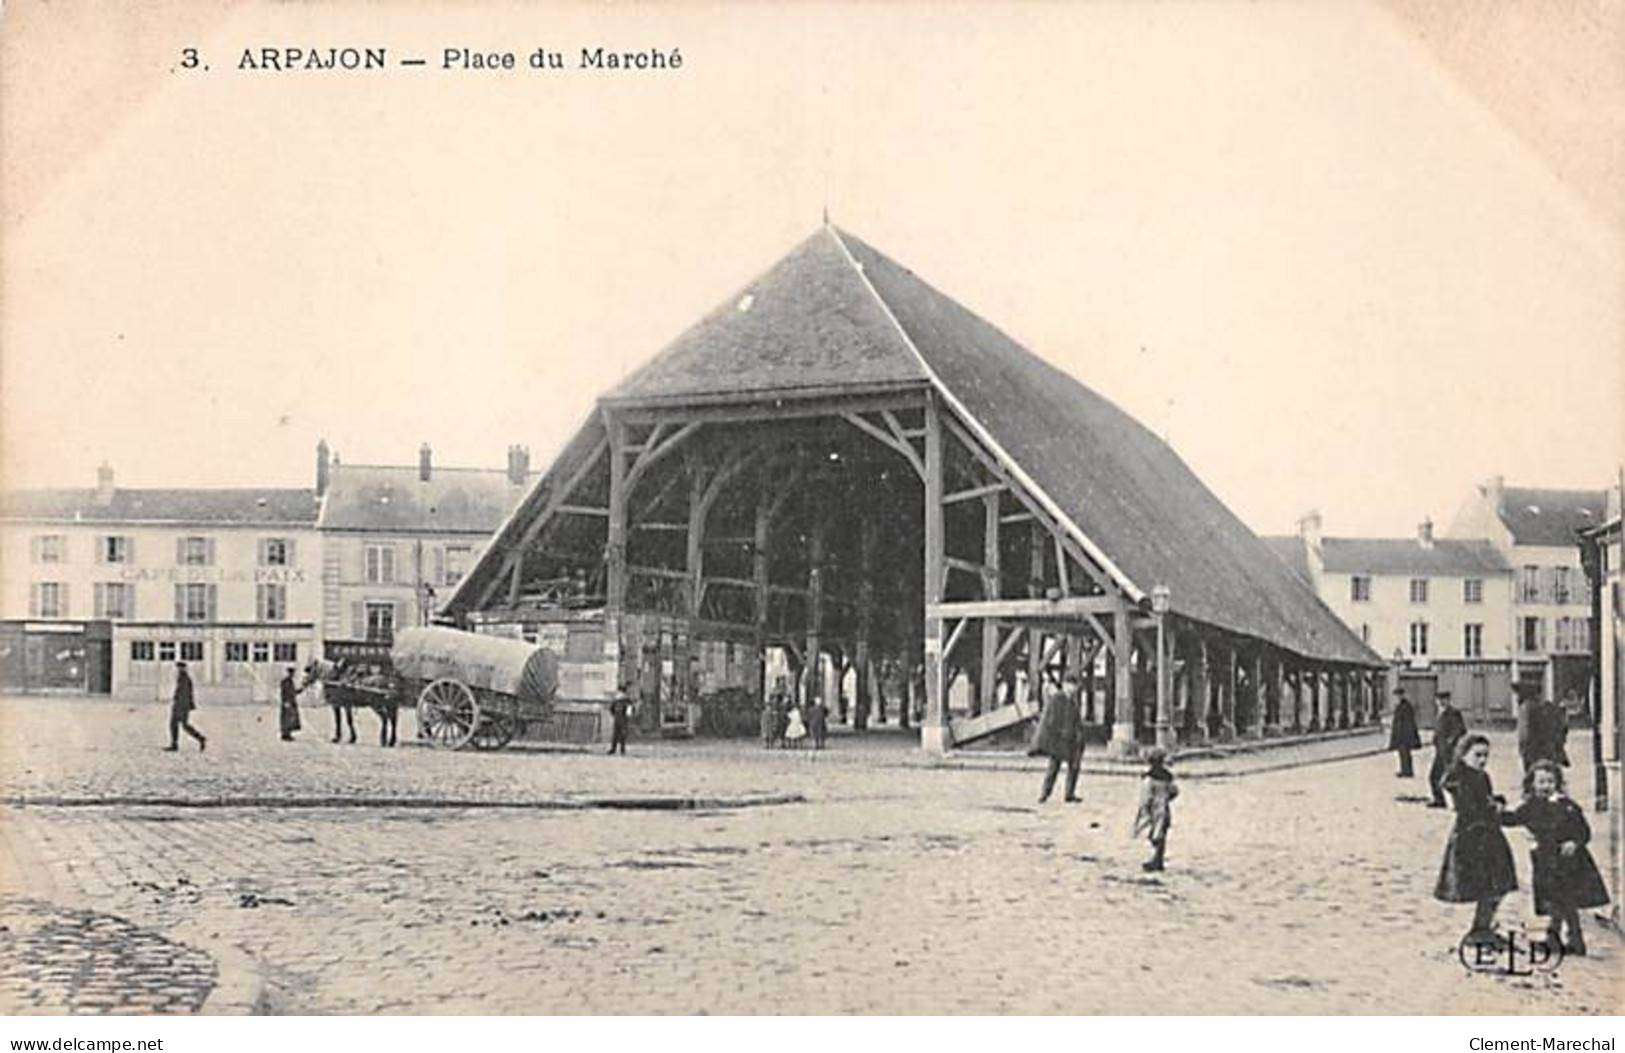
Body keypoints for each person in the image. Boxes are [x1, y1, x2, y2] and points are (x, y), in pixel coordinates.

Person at [1500, 760, 1610, 956]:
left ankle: (1574, 939)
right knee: (1555, 901)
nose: (1546, 786)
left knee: (1566, 901)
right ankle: (1554, 936)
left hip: (1568, 861)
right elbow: (1512, 819)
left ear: (1558, 784)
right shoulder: (1530, 806)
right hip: (1545, 861)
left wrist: (1575, 842)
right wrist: (1495, 810)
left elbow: (1584, 831)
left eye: (1550, 781)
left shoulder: (1568, 806)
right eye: (1541, 782)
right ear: (1532, 784)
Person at [1433, 733, 1518, 947]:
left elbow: (1484, 800)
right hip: (1471, 837)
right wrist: (1492, 808)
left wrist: (1494, 802)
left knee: (1498, 883)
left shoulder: (1482, 776)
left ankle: (1482, 928)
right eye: (1477, 755)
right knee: (1488, 884)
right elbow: (1468, 807)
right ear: (1463, 755)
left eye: (1486, 756)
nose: (1482, 760)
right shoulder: (1458, 779)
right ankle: (1480, 930)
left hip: (1488, 835)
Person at [1029, 673, 1085, 803]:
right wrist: (1058, 733)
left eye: (1074, 686)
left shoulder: (1072, 702)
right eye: (1071, 686)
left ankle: (1069, 794)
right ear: (1065, 685)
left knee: (1074, 766)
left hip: (1071, 740)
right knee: (1054, 767)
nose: (1073, 689)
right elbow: (1051, 720)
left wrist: (1079, 736)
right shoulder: (1056, 699)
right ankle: (1045, 793)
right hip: (1059, 739)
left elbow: (1076, 721)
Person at [1132, 747, 1178, 872]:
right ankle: (1158, 859)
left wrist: (1145, 809)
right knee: (1161, 834)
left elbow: (1146, 797)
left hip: (1154, 809)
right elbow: (1174, 791)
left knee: (1155, 835)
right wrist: (1167, 798)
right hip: (1164, 808)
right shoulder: (1168, 777)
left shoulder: (1149, 779)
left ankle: (1157, 860)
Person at [1428, 691, 1467, 808]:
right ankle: (1439, 800)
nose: (1441, 702)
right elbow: (1438, 730)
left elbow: (1460, 730)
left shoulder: (1453, 713)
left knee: (1452, 777)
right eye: (1439, 700)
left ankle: (1459, 802)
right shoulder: (1439, 713)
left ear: (1448, 700)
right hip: (1440, 751)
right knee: (1434, 776)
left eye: (1443, 699)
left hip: (1450, 752)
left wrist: (1451, 741)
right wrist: (1434, 740)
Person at [164, 661, 206, 752]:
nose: (178, 670)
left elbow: (185, 693)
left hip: (181, 706)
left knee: (181, 725)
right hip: (181, 705)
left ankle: (200, 738)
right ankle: (175, 743)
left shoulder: (184, 678)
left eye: (179, 668)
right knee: (178, 725)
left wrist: (180, 705)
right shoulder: (182, 677)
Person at [1389, 688, 1421, 778]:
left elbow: (1408, 721)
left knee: (1405, 753)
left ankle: (1407, 771)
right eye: (1396, 695)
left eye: (1398, 695)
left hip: (1404, 734)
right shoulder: (1400, 705)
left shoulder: (1406, 706)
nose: (1397, 697)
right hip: (1400, 733)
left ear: (1402, 695)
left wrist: (1409, 734)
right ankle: (1405, 770)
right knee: (1402, 753)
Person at [278, 666, 302, 742]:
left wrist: (299, 691)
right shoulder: (285, 682)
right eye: (291, 673)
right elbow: (284, 693)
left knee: (290, 719)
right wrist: (285, 701)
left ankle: (287, 733)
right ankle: (285, 734)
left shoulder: (290, 681)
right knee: (286, 719)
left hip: (291, 702)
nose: (292, 675)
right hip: (287, 702)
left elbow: (292, 692)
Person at [607, 684, 631, 756]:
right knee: (622, 734)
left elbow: (611, 709)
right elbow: (629, 711)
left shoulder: (616, 700)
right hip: (623, 718)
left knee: (616, 734)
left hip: (618, 718)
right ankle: (622, 749)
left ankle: (614, 749)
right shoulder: (627, 700)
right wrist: (627, 716)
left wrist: (614, 714)